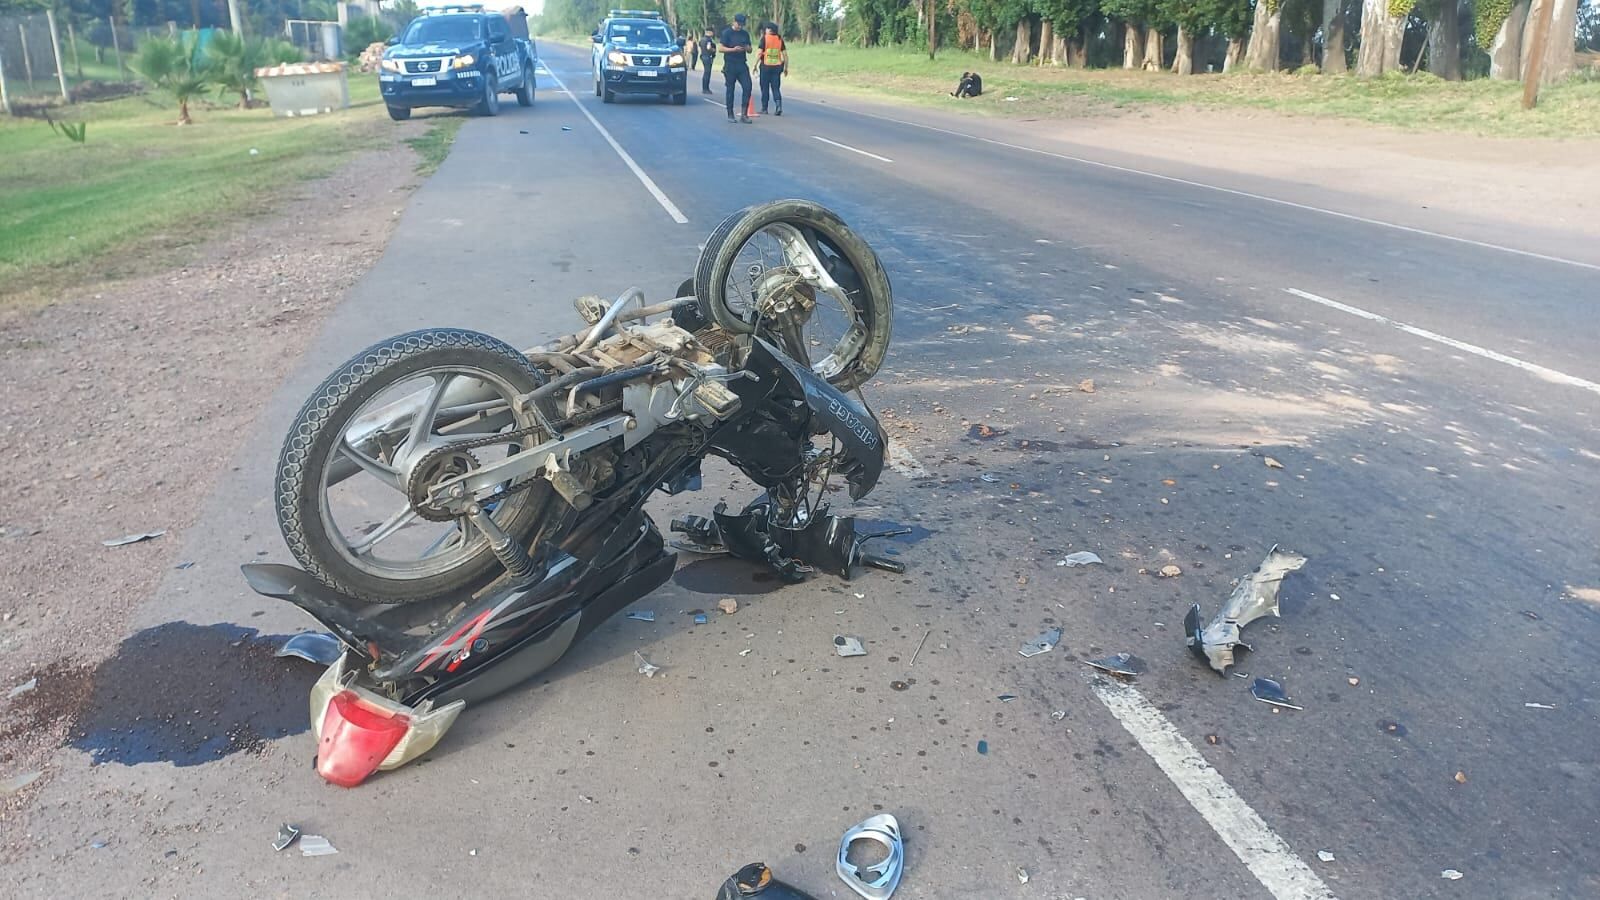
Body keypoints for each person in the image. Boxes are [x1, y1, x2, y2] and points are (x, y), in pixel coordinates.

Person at [719, 13, 754, 123]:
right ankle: (730, 113)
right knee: (730, 89)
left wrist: (747, 48)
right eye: (738, 24)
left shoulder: (745, 34)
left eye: (742, 25)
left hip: (742, 64)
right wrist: (733, 49)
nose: (740, 26)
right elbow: (720, 48)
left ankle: (744, 114)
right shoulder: (727, 33)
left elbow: (750, 49)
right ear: (734, 22)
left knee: (748, 87)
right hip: (730, 64)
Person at [757, 23, 787, 116]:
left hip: (765, 66)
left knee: (764, 87)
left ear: (769, 30)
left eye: (766, 29)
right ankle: (778, 106)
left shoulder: (765, 38)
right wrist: (786, 67)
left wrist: (754, 65)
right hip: (777, 67)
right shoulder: (779, 39)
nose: (765, 30)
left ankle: (764, 108)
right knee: (776, 88)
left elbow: (759, 53)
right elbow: (785, 55)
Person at [699, 28, 718, 93]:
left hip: (703, 56)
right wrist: (713, 50)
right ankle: (705, 89)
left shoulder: (702, 39)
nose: (713, 34)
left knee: (706, 72)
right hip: (707, 56)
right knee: (707, 73)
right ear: (709, 32)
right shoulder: (708, 40)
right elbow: (708, 47)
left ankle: (704, 88)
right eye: (712, 32)